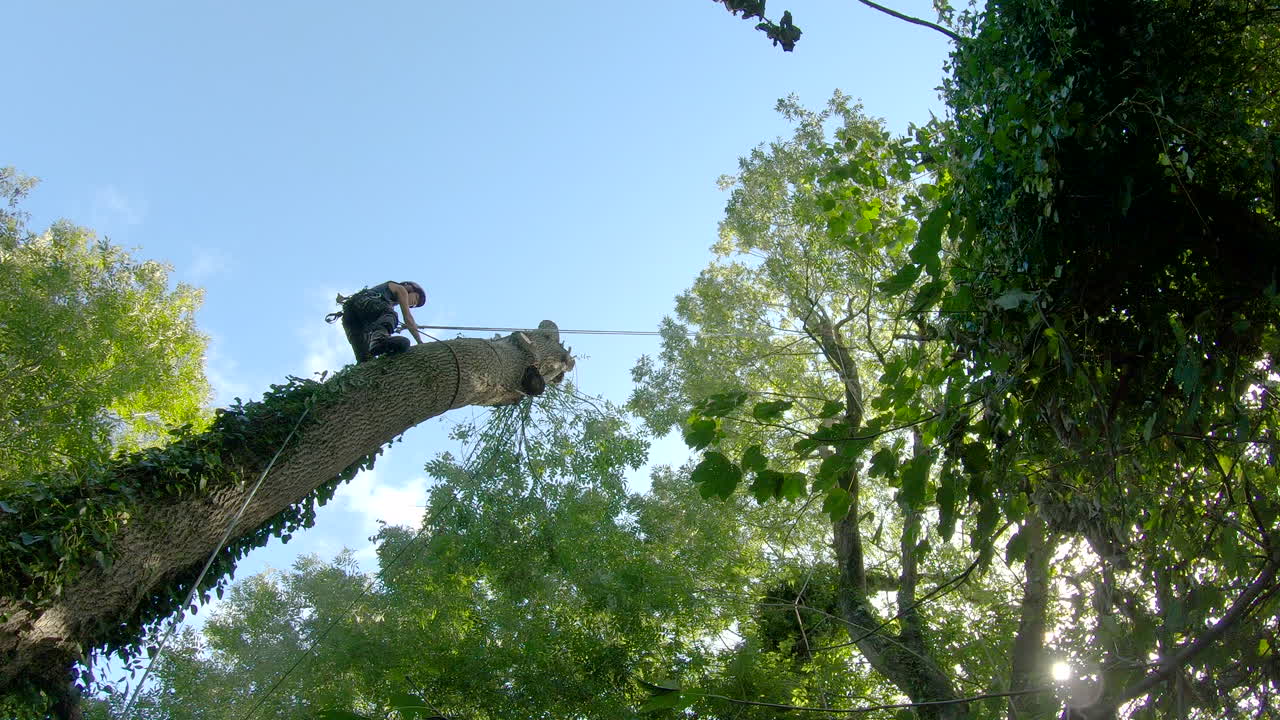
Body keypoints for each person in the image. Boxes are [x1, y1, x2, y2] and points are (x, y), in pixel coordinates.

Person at [326, 281, 426, 363]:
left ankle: (364, 365)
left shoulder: (386, 303)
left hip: (351, 315)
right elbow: (408, 317)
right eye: (416, 298)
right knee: (392, 315)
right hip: (366, 302)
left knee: (366, 359)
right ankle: (379, 340)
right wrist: (419, 342)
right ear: (409, 288)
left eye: (415, 305)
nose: (413, 304)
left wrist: (410, 325)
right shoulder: (401, 289)